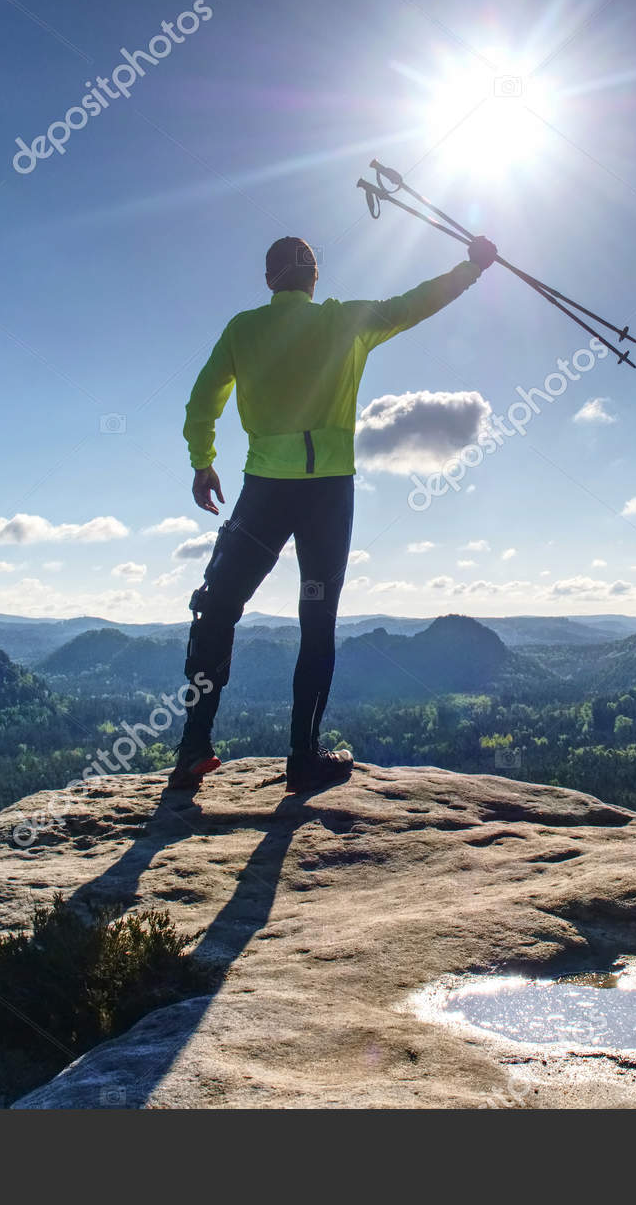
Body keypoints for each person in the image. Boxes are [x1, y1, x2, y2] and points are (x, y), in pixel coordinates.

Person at [172, 233, 498, 793]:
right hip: (327, 495)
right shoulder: (346, 321)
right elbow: (415, 303)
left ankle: (194, 747)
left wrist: (203, 462)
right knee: (316, 621)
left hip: (264, 493)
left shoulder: (242, 329)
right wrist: (471, 268)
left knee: (218, 606)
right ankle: (303, 759)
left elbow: (203, 400)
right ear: (314, 278)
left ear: (269, 279)